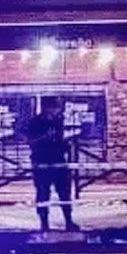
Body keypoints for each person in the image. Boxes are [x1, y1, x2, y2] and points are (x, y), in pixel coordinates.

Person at [26, 96, 79, 231]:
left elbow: (59, 140)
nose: (56, 111)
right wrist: (44, 138)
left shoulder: (58, 121)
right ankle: (44, 223)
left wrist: (65, 144)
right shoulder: (35, 122)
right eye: (55, 108)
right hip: (42, 161)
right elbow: (31, 142)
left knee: (64, 192)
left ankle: (68, 220)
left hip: (58, 160)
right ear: (47, 108)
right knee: (43, 193)